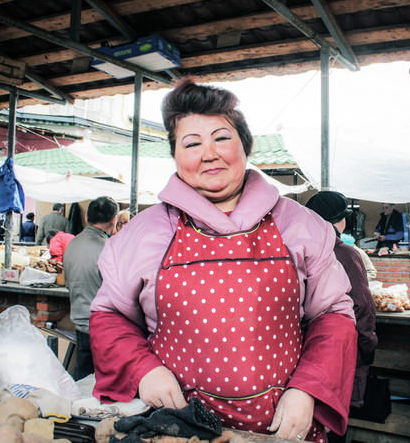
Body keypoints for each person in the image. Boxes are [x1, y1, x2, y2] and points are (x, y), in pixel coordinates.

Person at [89, 79, 357, 443]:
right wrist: (143, 369)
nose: (209, 153)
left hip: (283, 430)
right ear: (175, 155)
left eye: (221, 138)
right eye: (192, 143)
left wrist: (309, 388)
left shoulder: (300, 226)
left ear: (245, 145)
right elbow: (110, 317)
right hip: (178, 428)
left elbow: (334, 316)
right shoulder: (142, 234)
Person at [304, 190, 378, 440]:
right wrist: (367, 349)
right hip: (335, 356)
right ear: (341, 220)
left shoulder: (294, 249)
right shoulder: (345, 253)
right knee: (333, 422)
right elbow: (362, 307)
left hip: (298, 358)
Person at [63, 196, 118, 380]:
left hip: (80, 322)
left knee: (82, 378)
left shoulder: (72, 243)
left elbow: (68, 282)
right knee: (104, 381)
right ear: (114, 220)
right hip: (103, 326)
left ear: (87, 218)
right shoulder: (108, 248)